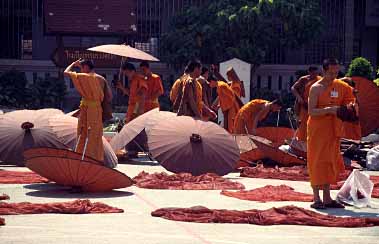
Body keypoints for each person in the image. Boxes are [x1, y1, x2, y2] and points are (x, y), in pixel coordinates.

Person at [307, 58, 358, 209]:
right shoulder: (316, 88)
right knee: (316, 161)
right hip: (317, 130)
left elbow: (350, 100)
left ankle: (327, 198)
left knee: (329, 161)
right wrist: (329, 110)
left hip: (333, 130)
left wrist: (349, 108)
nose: (333, 75)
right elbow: (311, 111)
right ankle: (317, 199)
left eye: (336, 72)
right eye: (330, 73)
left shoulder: (340, 86)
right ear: (324, 71)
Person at [64, 59, 104, 161]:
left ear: (86, 67)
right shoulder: (100, 78)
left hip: (89, 108)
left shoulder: (85, 77)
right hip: (95, 108)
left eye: (81, 68)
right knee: (94, 133)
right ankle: (94, 157)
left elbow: (66, 72)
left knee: (84, 132)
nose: (80, 70)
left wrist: (73, 64)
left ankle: (85, 157)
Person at [291, 66, 322, 142]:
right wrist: (299, 97)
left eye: (316, 73)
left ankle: (313, 141)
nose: (315, 75)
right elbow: (293, 88)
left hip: (315, 106)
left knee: (314, 125)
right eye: (313, 73)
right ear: (309, 72)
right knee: (303, 125)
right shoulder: (304, 79)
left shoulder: (320, 80)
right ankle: (301, 141)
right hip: (305, 105)